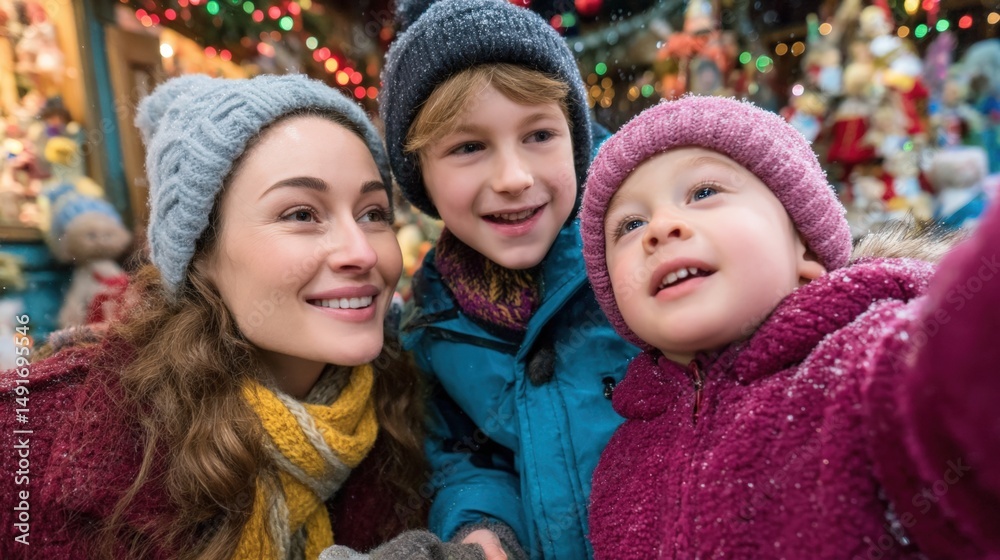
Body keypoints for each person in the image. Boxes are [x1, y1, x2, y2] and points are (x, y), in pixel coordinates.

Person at [0, 74, 426, 559]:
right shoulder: (28, 436)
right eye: (302, 214)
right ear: (199, 252)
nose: (360, 252)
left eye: (373, 213)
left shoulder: (417, 401)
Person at [579, 95, 1000, 558]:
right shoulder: (620, 462)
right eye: (630, 224)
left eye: (703, 193)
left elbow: (962, 397)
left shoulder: (864, 366)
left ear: (805, 248)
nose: (660, 228)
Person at [378, 0, 639, 558]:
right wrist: (485, 533)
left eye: (539, 135)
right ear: (420, 176)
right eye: (469, 147)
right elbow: (467, 462)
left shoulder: (639, 252)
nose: (514, 177)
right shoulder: (434, 324)